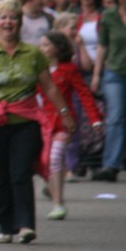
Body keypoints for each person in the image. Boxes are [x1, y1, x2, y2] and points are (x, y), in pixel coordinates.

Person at [0, 0, 75, 244]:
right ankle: (5, 226)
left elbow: (49, 87)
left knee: (21, 172)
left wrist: (65, 113)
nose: (8, 22)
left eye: (13, 18)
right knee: (0, 175)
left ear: (19, 22)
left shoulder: (33, 54)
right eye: (3, 18)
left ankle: (25, 224)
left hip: (26, 121)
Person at [36, 31, 102, 219]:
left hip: (63, 123)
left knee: (55, 158)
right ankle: (52, 185)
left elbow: (84, 94)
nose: (41, 49)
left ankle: (58, 204)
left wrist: (95, 118)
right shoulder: (38, 69)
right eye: (41, 45)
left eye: (46, 45)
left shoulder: (69, 70)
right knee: (43, 161)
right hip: (41, 122)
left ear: (57, 48)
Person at [91, 0, 126, 181]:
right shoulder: (108, 17)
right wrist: (97, 74)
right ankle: (110, 164)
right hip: (114, 72)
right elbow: (102, 46)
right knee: (115, 117)